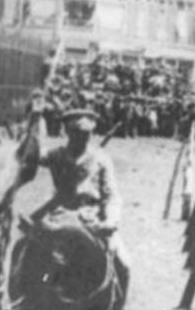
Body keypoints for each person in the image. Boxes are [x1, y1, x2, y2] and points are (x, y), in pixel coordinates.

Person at [30, 108, 131, 298]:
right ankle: (22, 297)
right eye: (76, 133)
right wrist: (34, 122)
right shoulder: (55, 155)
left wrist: (110, 221)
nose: (81, 138)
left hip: (92, 220)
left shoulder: (101, 159)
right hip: (58, 216)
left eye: (86, 134)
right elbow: (30, 154)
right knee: (26, 249)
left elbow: (112, 196)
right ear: (67, 133)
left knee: (124, 265)